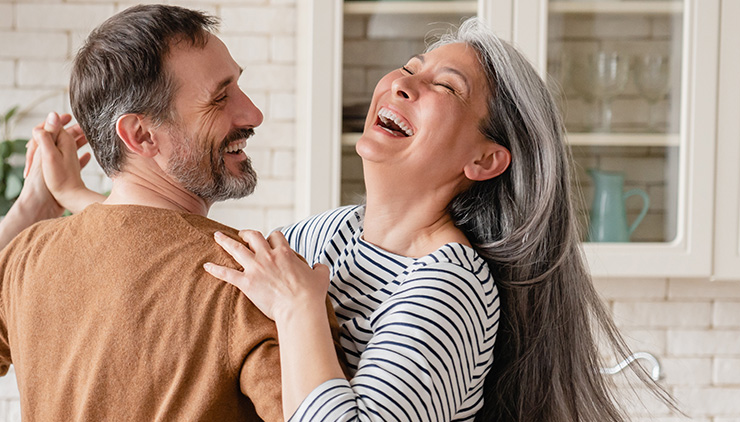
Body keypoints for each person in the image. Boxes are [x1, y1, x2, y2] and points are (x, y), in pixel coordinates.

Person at [18, 17, 672, 422]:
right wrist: (70, 198)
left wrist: (303, 313)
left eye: (444, 87)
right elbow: (171, 246)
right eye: (412, 69)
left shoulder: (447, 289)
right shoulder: (328, 235)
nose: (402, 82)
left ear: (484, 158)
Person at [0, 5, 344, 421]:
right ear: (141, 135)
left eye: (238, 85)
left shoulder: (27, 258)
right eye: (220, 98)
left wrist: (30, 210)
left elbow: (136, 239)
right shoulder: (257, 282)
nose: (252, 113)